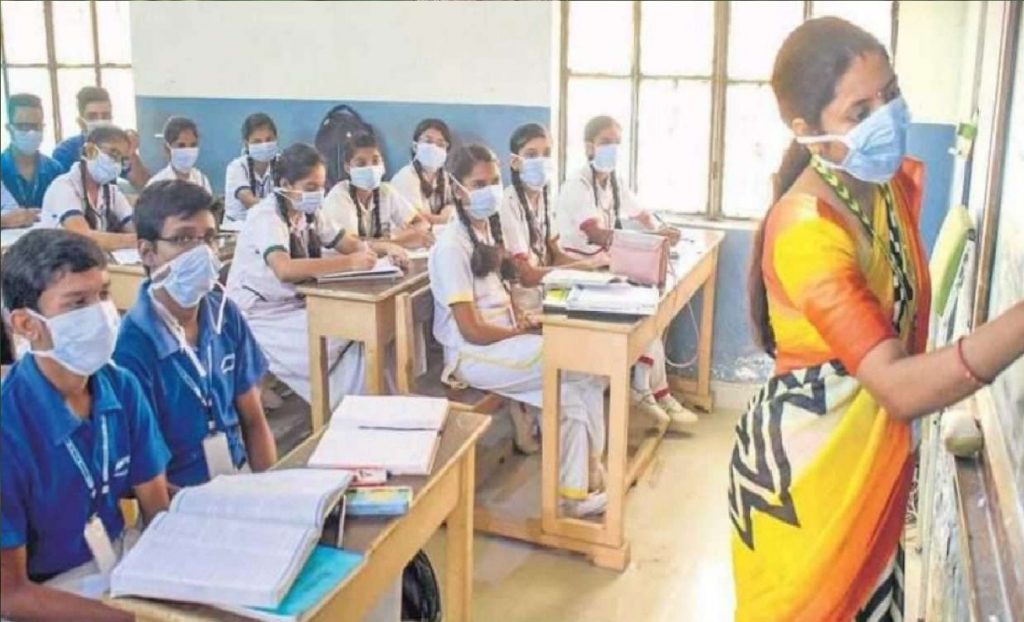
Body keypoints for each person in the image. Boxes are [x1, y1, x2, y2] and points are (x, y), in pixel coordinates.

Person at [729, 17, 1024, 622]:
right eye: (859, 111)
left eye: (890, 95)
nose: (886, 118)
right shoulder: (807, 230)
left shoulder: (882, 187)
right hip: (812, 485)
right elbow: (898, 386)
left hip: (870, 463)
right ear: (807, 133)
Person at [428, 143, 608, 517]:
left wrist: (525, 321)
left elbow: (509, 287)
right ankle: (588, 474)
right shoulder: (451, 247)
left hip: (503, 345)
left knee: (574, 392)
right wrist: (523, 335)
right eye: (479, 184)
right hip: (473, 356)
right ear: (457, 190)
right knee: (571, 360)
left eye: (494, 181)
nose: (490, 191)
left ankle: (577, 490)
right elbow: (471, 331)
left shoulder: (488, 230)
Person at [0, 229, 170, 622]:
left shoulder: (121, 387)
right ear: (27, 324)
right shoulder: (9, 427)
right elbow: (9, 594)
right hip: (46, 594)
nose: (101, 314)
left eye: (104, 294)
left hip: (123, 560)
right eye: (77, 303)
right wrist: (134, 619)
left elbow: (157, 510)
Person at [114, 180, 276, 491]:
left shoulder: (224, 313)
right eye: (184, 238)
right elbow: (146, 478)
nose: (202, 252)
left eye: (209, 238)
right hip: (181, 496)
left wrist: (269, 490)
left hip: (238, 477)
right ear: (147, 252)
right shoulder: (131, 348)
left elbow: (254, 420)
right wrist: (205, 508)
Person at [556, 115, 695, 428]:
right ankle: (647, 390)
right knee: (644, 311)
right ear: (589, 147)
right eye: (605, 142)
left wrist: (661, 229)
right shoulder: (577, 186)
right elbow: (596, 234)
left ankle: (649, 389)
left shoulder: (613, 182)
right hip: (578, 273)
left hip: (603, 267)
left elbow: (641, 213)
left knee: (653, 308)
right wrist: (650, 240)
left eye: (617, 143)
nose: (612, 149)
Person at [226, 143, 379, 407]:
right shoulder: (266, 216)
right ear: (285, 184)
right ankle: (334, 402)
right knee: (342, 331)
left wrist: (378, 251)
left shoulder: (309, 212)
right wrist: (349, 263)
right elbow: (284, 269)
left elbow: (345, 242)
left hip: (292, 304)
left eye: (321, 186)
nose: (317, 194)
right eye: (310, 187)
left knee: (358, 328)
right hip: (260, 313)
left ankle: (350, 401)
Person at [497, 122, 602, 451]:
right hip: (520, 303)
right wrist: (582, 268)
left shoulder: (543, 198)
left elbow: (554, 253)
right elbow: (526, 275)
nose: (540, 161)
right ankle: (530, 411)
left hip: (546, 294)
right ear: (515, 162)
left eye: (546, 154)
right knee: (575, 361)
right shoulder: (507, 204)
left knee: (593, 346)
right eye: (531, 154)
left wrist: (593, 271)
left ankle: (585, 446)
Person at [322, 131, 434, 257]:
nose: (370, 168)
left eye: (375, 161)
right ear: (348, 168)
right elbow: (353, 244)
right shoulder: (339, 196)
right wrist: (401, 242)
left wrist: (410, 235)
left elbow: (422, 222)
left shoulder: (386, 191)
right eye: (361, 163)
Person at [40, 126, 137, 251]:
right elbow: (82, 237)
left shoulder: (111, 192)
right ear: (89, 150)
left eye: (123, 160)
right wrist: (134, 240)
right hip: (54, 259)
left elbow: (135, 228)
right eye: (114, 154)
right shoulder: (63, 187)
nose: (117, 164)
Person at [51, 86, 150, 190]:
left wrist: (130, 150)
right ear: (81, 122)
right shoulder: (65, 151)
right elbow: (64, 189)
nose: (100, 121)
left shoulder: (116, 148)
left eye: (105, 116)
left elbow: (143, 184)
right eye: (92, 116)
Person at [0, 93, 62, 228]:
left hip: (47, 239)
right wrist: (3, 221)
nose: (31, 133)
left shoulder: (55, 170)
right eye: (23, 126)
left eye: (36, 126)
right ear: (9, 128)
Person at [390, 118, 455, 225]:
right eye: (428, 141)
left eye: (440, 144)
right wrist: (443, 219)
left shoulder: (445, 177)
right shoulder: (405, 177)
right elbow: (416, 219)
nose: (434, 148)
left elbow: (455, 205)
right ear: (415, 146)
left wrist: (449, 210)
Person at [223, 113, 279, 223]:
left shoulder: (283, 164)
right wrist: (282, 206)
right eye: (257, 141)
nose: (264, 145)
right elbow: (249, 201)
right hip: (238, 227)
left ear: (276, 139)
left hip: (272, 226)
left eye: (269, 139)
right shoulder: (236, 167)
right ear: (246, 143)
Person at [146, 116, 213, 193]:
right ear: (167, 149)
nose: (188, 151)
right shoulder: (156, 185)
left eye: (193, 145)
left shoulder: (202, 181)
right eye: (181, 146)